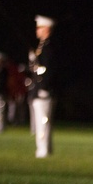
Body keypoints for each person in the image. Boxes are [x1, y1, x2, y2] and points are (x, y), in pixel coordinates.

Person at [31, 15, 58, 157]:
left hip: (44, 91)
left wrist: (44, 87)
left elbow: (49, 70)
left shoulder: (48, 47)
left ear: (46, 29)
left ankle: (44, 150)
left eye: (39, 27)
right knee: (41, 121)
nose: (37, 30)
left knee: (43, 121)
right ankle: (43, 148)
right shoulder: (42, 47)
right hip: (40, 89)